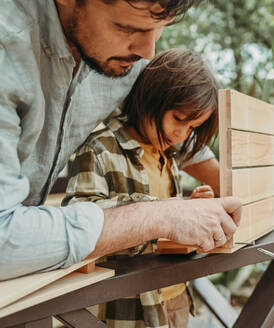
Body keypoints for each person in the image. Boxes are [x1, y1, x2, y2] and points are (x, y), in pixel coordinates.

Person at [0, 0, 240, 281]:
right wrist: (161, 216)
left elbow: (167, 125)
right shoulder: (8, 48)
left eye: (161, 28)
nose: (148, 52)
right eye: (127, 28)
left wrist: (246, 192)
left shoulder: (123, 59)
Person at [62, 48, 218, 327]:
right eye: (179, 119)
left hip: (177, 296)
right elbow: (77, 224)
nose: (182, 134)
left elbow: (168, 226)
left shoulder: (168, 155)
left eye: (193, 127)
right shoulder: (99, 149)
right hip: (126, 305)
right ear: (151, 98)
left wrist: (193, 209)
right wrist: (160, 212)